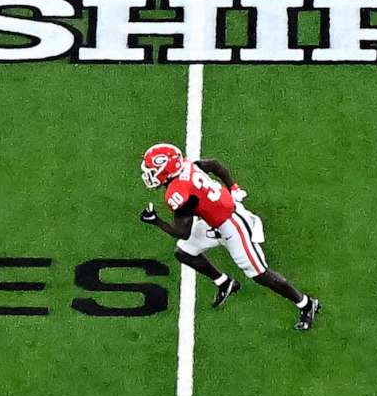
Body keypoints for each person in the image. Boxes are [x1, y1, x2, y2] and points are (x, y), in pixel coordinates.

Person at [136, 141, 319, 329]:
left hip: (233, 225)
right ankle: (225, 283)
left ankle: (306, 304)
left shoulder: (179, 192)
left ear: (166, 171)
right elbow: (214, 164)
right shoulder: (187, 166)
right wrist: (233, 187)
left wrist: (155, 221)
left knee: (260, 273)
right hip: (216, 220)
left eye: (152, 170)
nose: (148, 174)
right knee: (184, 252)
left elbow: (182, 232)